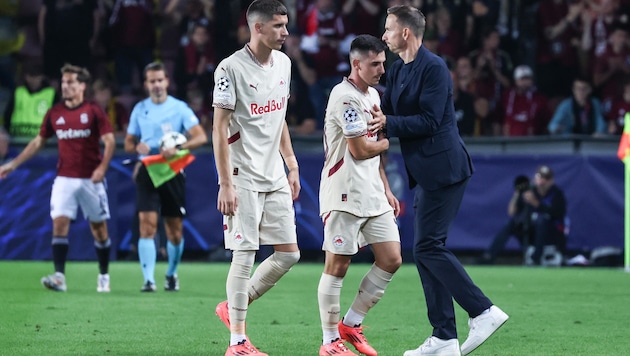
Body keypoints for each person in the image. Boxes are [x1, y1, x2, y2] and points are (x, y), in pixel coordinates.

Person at [372, 6, 509, 355]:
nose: (384, 35)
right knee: (426, 249)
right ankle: (444, 337)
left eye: (388, 29)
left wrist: (387, 123)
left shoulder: (434, 67)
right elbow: (387, 109)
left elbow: (430, 121)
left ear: (405, 32)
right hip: (427, 172)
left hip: (445, 169)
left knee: (427, 247)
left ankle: (482, 310)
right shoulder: (401, 69)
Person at [211, 1, 301, 355]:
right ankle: (237, 342)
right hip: (242, 174)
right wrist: (225, 183)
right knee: (244, 254)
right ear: (258, 28)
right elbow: (219, 129)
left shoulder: (284, 63)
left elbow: (279, 116)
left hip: (274, 173)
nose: (286, 32)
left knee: (289, 254)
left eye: (286, 25)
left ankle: (234, 305)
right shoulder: (229, 68)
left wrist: (291, 163)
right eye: (278, 26)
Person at [317, 34, 402, 356]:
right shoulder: (345, 97)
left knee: (391, 258)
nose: (382, 69)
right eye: (375, 64)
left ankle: (351, 323)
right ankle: (329, 342)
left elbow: (375, 155)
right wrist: (388, 140)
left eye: (383, 62)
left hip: (372, 193)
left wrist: (386, 186)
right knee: (338, 265)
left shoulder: (374, 96)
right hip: (344, 192)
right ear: (357, 64)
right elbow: (361, 147)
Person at [0, 64, 115, 293]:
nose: (66, 86)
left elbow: (110, 141)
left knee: (99, 230)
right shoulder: (55, 113)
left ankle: (103, 274)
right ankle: (60, 276)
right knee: (59, 223)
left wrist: (102, 168)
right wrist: (12, 164)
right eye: (63, 82)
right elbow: (37, 143)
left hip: (91, 179)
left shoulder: (93, 111)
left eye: (71, 82)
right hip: (64, 178)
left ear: (82, 85)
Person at [124, 61, 208, 292]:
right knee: (147, 226)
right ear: (146, 84)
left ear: (167, 82)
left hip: (172, 171)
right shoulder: (140, 109)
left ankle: (171, 273)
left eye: (160, 80)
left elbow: (200, 137)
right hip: (148, 170)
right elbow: (129, 142)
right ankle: (148, 280)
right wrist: (136, 147)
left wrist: (179, 149)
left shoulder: (179, 108)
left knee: (174, 231)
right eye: (152, 81)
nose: (157, 85)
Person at [478, 165, 568, 266]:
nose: (542, 181)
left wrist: (536, 203)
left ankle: (536, 259)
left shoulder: (556, 194)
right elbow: (511, 212)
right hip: (530, 232)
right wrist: (517, 194)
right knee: (511, 223)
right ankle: (489, 256)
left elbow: (558, 213)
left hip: (549, 233)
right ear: (535, 178)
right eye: (540, 177)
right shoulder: (529, 191)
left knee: (541, 220)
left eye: (546, 178)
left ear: (551, 180)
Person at [3, 63, 56, 139]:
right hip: (18, 137)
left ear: (42, 77)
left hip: (42, 140)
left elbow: (57, 116)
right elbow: (8, 114)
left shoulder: (51, 93)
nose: (33, 79)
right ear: (26, 77)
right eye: (31, 76)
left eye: (36, 76)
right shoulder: (18, 92)